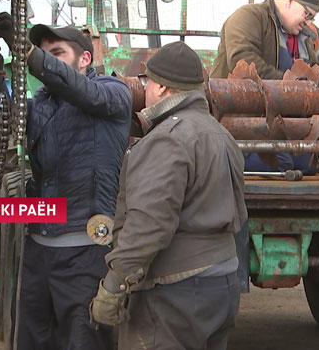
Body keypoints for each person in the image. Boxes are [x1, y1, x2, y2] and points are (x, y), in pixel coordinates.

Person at [90, 41, 247, 350]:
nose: (145, 89)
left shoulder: (167, 140)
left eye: (147, 82)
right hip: (223, 283)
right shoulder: (221, 134)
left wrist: (114, 285)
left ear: (161, 88)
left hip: (176, 290)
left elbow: (148, 224)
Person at [0, 14, 134, 349]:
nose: (46, 62)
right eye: (43, 54)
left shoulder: (112, 94)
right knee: (31, 339)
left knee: (83, 340)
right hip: (38, 253)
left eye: (56, 53)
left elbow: (79, 89)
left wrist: (30, 57)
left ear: (85, 58)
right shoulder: (38, 105)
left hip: (85, 254)